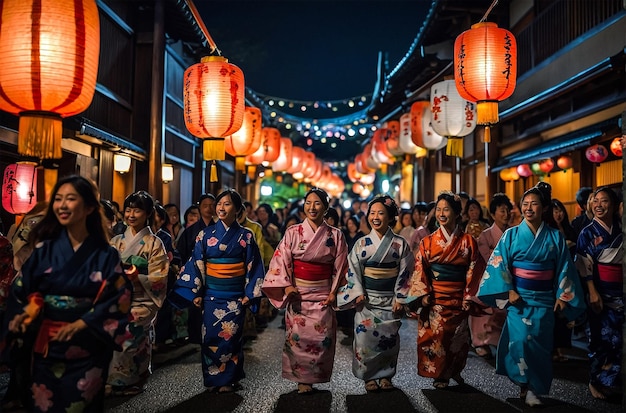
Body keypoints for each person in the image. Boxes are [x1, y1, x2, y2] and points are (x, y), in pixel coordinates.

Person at [8, 175, 132, 412]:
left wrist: (83, 323)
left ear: (88, 208)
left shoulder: (105, 255)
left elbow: (120, 298)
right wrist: (28, 309)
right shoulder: (43, 251)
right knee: (44, 404)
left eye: (70, 199)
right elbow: (23, 289)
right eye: (58, 199)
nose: (62, 205)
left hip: (87, 347)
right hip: (47, 347)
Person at [478, 182, 586, 407]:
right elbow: (498, 264)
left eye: (534, 204)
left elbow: (564, 267)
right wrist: (508, 290)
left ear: (543, 208)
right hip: (519, 299)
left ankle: (532, 388)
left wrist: (562, 295)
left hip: (544, 299)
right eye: (525, 204)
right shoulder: (511, 235)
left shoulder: (555, 237)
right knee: (520, 342)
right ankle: (525, 385)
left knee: (540, 345)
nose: (528, 208)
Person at [170, 189, 265, 393]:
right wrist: (196, 292)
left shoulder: (245, 236)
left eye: (227, 204)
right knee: (211, 338)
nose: (221, 207)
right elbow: (196, 264)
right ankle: (214, 377)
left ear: (238, 209)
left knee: (231, 338)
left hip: (235, 297)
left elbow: (254, 266)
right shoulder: (205, 235)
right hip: (212, 296)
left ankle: (228, 378)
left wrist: (250, 294)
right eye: (219, 203)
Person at [262, 187, 348, 394]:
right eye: (308, 202)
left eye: (317, 203)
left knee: (321, 339)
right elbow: (281, 260)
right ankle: (302, 379)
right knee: (299, 338)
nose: (312, 207)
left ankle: (316, 376)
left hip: (323, 295)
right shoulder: (293, 232)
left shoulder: (335, 235)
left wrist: (334, 292)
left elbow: (341, 266)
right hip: (298, 294)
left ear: (326, 207)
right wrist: (288, 285)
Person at [406, 190, 485, 389]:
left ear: (457, 213)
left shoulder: (468, 241)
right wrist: (422, 295)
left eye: (446, 209)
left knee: (457, 339)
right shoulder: (428, 242)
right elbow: (419, 268)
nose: (441, 213)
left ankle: (453, 370)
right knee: (437, 338)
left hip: (458, 298)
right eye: (438, 209)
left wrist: (469, 295)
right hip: (434, 299)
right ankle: (440, 375)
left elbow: (474, 270)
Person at [336, 195, 415, 392]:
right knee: (365, 341)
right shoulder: (362, 244)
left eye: (381, 213)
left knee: (389, 341)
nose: (376, 217)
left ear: (390, 217)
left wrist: (400, 297)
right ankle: (368, 376)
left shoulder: (400, 244)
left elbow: (406, 272)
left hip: (390, 300)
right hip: (367, 301)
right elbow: (352, 269)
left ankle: (386, 375)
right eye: (372, 213)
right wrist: (357, 292)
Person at [107, 191, 169, 396]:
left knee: (131, 328)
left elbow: (159, 278)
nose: (131, 214)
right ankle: (113, 378)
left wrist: (137, 277)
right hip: (117, 297)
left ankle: (131, 379)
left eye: (137, 210)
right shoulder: (115, 241)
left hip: (142, 300)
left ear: (148, 213)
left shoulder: (154, 243)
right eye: (128, 209)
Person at [575, 186, 623, 400]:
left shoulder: (620, 229)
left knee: (617, 339)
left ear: (614, 205)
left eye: (604, 201)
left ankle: (610, 381)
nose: (598, 205)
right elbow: (584, 264)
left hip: (620, 293)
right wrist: (592, 291)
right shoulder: (588, 232)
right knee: (600, 338)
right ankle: (596, 381)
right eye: (595, 201)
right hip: (599, 292)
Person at [471, 193, 513, 358]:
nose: (506, 214)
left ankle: (502, 341)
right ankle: (481, 342)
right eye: (502, 211)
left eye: (507, 210)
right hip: (490, 276)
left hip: (510, 275)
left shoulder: (513, 233)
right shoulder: (486, 235)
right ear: (493, 214)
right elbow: (488, 259)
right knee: (485, 308)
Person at [176, 194, 216, 344]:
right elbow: (182, 252)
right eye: (205, 205)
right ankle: (194, 336)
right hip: (194, 271)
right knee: (195, 304)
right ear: (199, 207)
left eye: (212, 205)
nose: (208, 208)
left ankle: (211, 335)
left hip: (213, 272)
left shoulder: (219, 229)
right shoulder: (190, 231)